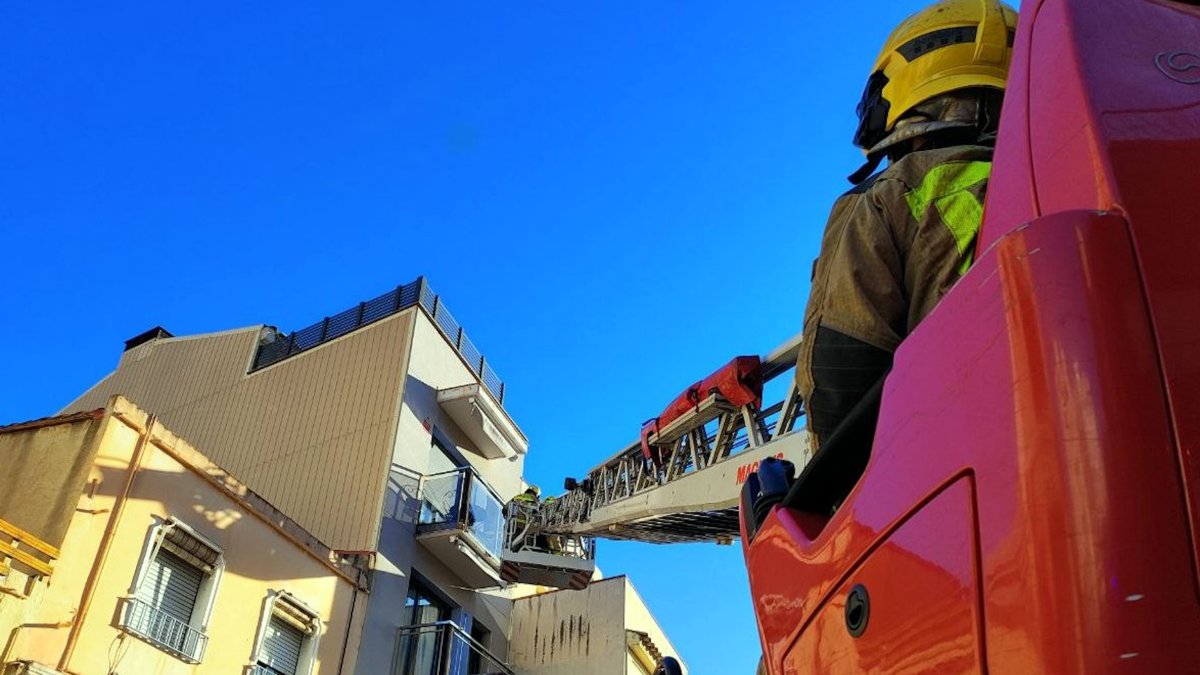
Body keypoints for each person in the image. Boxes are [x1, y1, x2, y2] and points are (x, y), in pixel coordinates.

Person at [797, 0, 1018, 447]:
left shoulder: (889, 196)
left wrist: (808, 505)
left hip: (968, 467)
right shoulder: (1075, 172)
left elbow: (841, 380)